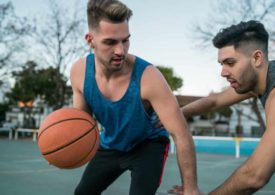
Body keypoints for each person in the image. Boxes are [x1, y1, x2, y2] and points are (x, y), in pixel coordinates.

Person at [70, 0, 200, 194]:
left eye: (125, 40)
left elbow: (181, 135)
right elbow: (81, 126)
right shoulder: (79, 73)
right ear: (90, 40)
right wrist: (62, 146)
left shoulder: (149, 78)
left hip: (148, 146)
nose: (120, 50)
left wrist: (190, 188)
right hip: (111, 145)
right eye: (110, 42)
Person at [169, 20, 275, 194]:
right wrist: (177, 114)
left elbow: (254, 176)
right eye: (222, 64)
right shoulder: (259, 80)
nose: (223, 72)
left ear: (257, 58)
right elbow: (214, 101)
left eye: (230, 63)